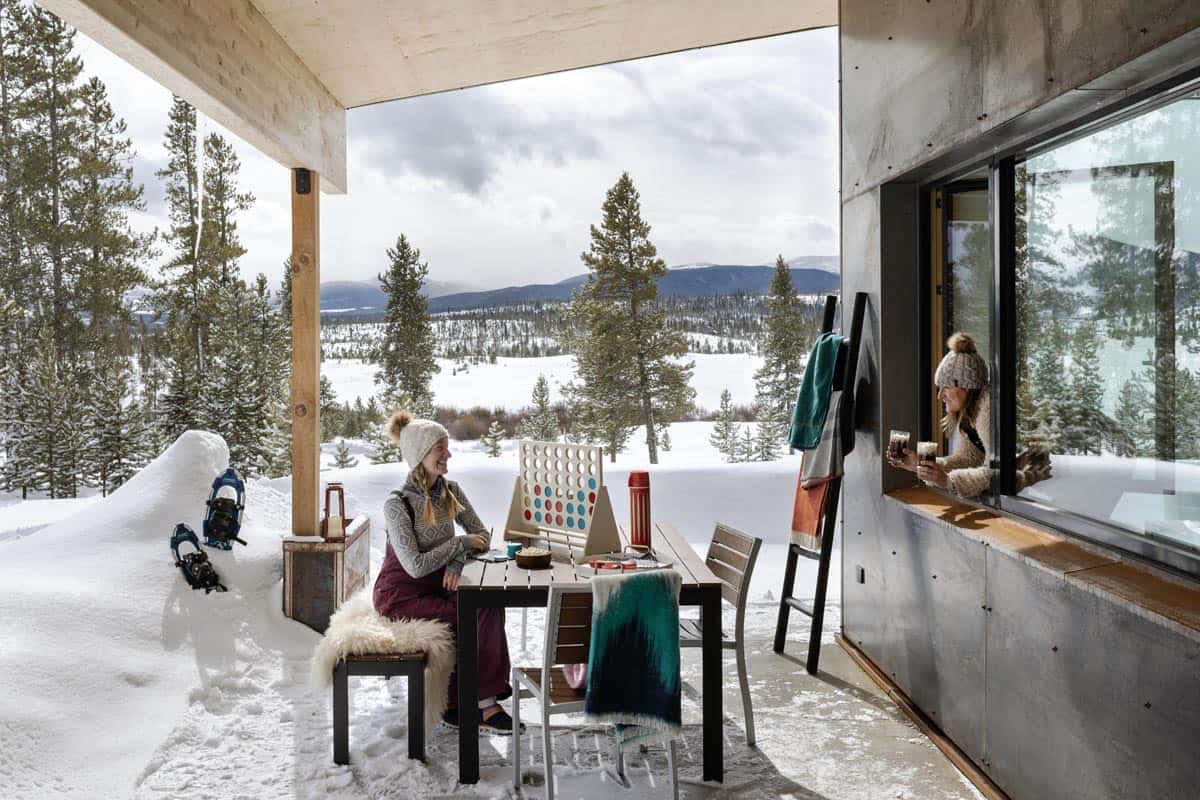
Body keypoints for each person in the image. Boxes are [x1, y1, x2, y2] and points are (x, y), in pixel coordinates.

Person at [372, 410, 518, 733]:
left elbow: (482, 536)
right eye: (440, 448)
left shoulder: (450, 491)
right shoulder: (397, 505)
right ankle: (480, 704)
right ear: (420, 455)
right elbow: (415, 565)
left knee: (489, 603)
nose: (447, 454)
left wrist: (456, 560)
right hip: (400, 596)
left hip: (439, 585)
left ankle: (470, 699)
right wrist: (459, 545)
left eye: (446, 447)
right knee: (469, 612)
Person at [889, 332, 1049, 496]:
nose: (940, 396)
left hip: (1038, 490)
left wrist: (948, 481)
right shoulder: (969, 412)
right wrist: (919, 464)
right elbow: (967, 460)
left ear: (966, 386)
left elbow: (999, 474)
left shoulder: (989, 409)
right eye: (939, 388)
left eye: (946, 387)